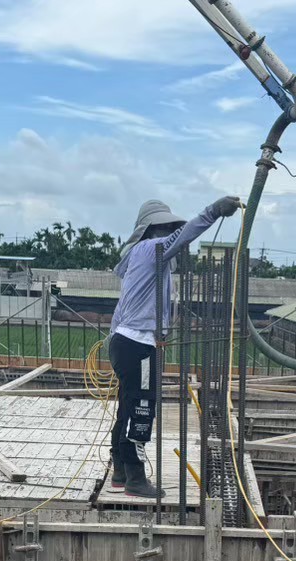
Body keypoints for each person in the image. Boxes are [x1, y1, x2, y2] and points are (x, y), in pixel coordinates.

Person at [109, 194, 242, 497]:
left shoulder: (140, 257)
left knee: (128, 407)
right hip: (137, 344)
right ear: (155, 229)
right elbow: (185, 235)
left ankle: (120, 470)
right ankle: (135, 478)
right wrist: (214, 211)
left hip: (128, 341)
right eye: (167, 228)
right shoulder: (150, 249)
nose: (171, 234)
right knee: (141, 409)